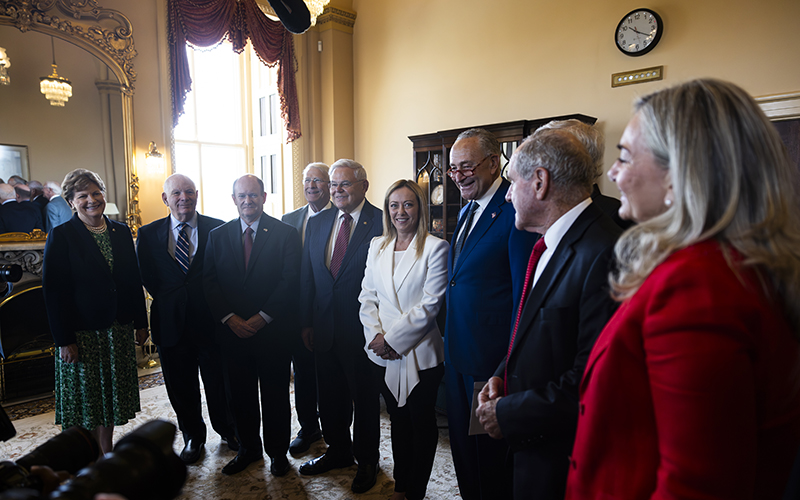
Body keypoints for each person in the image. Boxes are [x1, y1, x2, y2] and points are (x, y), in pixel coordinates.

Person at [565, 79, 800, 500]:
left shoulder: (696, 287)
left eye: (624, 157)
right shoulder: (739, 265)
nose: (614, 173)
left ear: (678, 177)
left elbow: (695, 484)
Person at [474, 127, 621, 499]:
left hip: (564, 459)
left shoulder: (603, 252)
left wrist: (507, 414)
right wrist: (500, 376)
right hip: (536, 447)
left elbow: (592, 382)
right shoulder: (550, 243)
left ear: (539, 182)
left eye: (511, 183)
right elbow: (537, 333)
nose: (507, 196)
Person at [444, 128, 536, 500]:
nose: (459, 176)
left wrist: (506, 364)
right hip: (458, 354)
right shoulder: (467, 208)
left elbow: (522, 296)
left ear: (494, 163)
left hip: (490, 362)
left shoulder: (514, 210)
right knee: (463, 452)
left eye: (466, 166)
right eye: (452, 169)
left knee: (490, 458)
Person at [41, 168, 148, 455]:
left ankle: (106, 450)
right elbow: (54, 293)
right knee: (88, 400)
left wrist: (141, 322)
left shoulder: (121, 231)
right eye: (83, 195)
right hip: (83, 334)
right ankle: (88, 456)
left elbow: (131, 281)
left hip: (117, 330)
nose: (91, 199)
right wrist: (64, 339)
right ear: (71, 202)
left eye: (96, 193)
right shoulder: (61, 236)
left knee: (110, 399)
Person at [136, 174, 237, 465]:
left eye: (190, 192)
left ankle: (228, 430)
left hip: (212, 321)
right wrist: (174, 300)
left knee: (219, 382)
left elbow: (226, 275)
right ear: (166, 199)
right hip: (170, 323)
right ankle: (193, 436)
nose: (184, 198)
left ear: (197, 195)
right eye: (177, 193)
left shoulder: (218, 228)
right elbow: (148, 278)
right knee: (181, 386)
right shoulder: (148, 234)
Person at [203, 174, 300, 477]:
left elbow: (289, 280)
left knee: (275, 397)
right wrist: (230, 318)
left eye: (253, 195)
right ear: (234, 200)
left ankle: (278, 454)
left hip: (273, 333)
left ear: (264, 197)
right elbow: (209, 282)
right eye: (242, 196)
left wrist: (263, 317)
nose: (248, 201)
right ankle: (248, 449)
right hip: (233, 334)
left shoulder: (286, 233)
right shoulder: (218, 235)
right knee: (240, 396)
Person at [359, 180, 449, 500]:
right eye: (394, 205)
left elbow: (431, 305)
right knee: (398, 421)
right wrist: (377, 337)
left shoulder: (436, 247)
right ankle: (401, 485)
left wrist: (393, 339)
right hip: (382, 353)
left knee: (420, 424)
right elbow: (367, 297)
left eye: (408, 204)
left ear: (419, 208)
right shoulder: (377, 246)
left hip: (420, 353)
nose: (400, 212)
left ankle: (417, 491)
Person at [298, 159, 383, 494]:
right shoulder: (319, 223)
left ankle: (367, 461)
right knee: (330, 397)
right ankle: (338, 451)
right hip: (324, 328)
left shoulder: (381, 221)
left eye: (344, 184)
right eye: (333, 185)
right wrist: (306, 321)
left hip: (364, 331)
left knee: (364, 402)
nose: (337, 191)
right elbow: (309, 276)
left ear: (363, 185)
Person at [280, 162, 330, 454]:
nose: (311, 185)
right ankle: (308, 427)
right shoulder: (289, 219)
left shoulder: (340, 217)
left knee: (331, 376)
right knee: (303, 374)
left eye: (318, 180)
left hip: (330, 312)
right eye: (307, 180)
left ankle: (335, 428)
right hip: (297, 312)